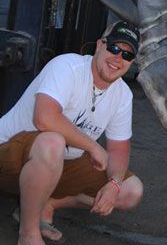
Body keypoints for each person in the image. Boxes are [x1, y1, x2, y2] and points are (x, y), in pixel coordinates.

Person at [0, 20, 144, 245]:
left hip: (59, 165)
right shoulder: (67, 66)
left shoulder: (123, 95)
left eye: (126, 55)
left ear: (132, 62)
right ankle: (28, 234)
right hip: (9, 158)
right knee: (52, 143)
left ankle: (48, 203)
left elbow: (118, 149)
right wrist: (93, 146)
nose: (118, 58)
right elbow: (44, 117)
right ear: (99, 45)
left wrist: (114, 184)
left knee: (130, 191)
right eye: (114, 48)